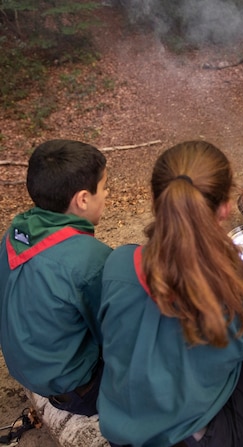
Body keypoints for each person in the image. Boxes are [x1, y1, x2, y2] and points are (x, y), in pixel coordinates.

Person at [97, 141, 243, 447]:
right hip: (201, 439)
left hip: (121, 427)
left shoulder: (118, 264)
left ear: (157, 200)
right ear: (225, 209)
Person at [0, 139, 111, 416]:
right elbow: (115, 333)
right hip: (78, 391)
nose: (107, 194)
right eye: (104, 187)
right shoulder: (90, 261)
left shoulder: (14, 234)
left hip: (27, 369)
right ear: (83, 199)